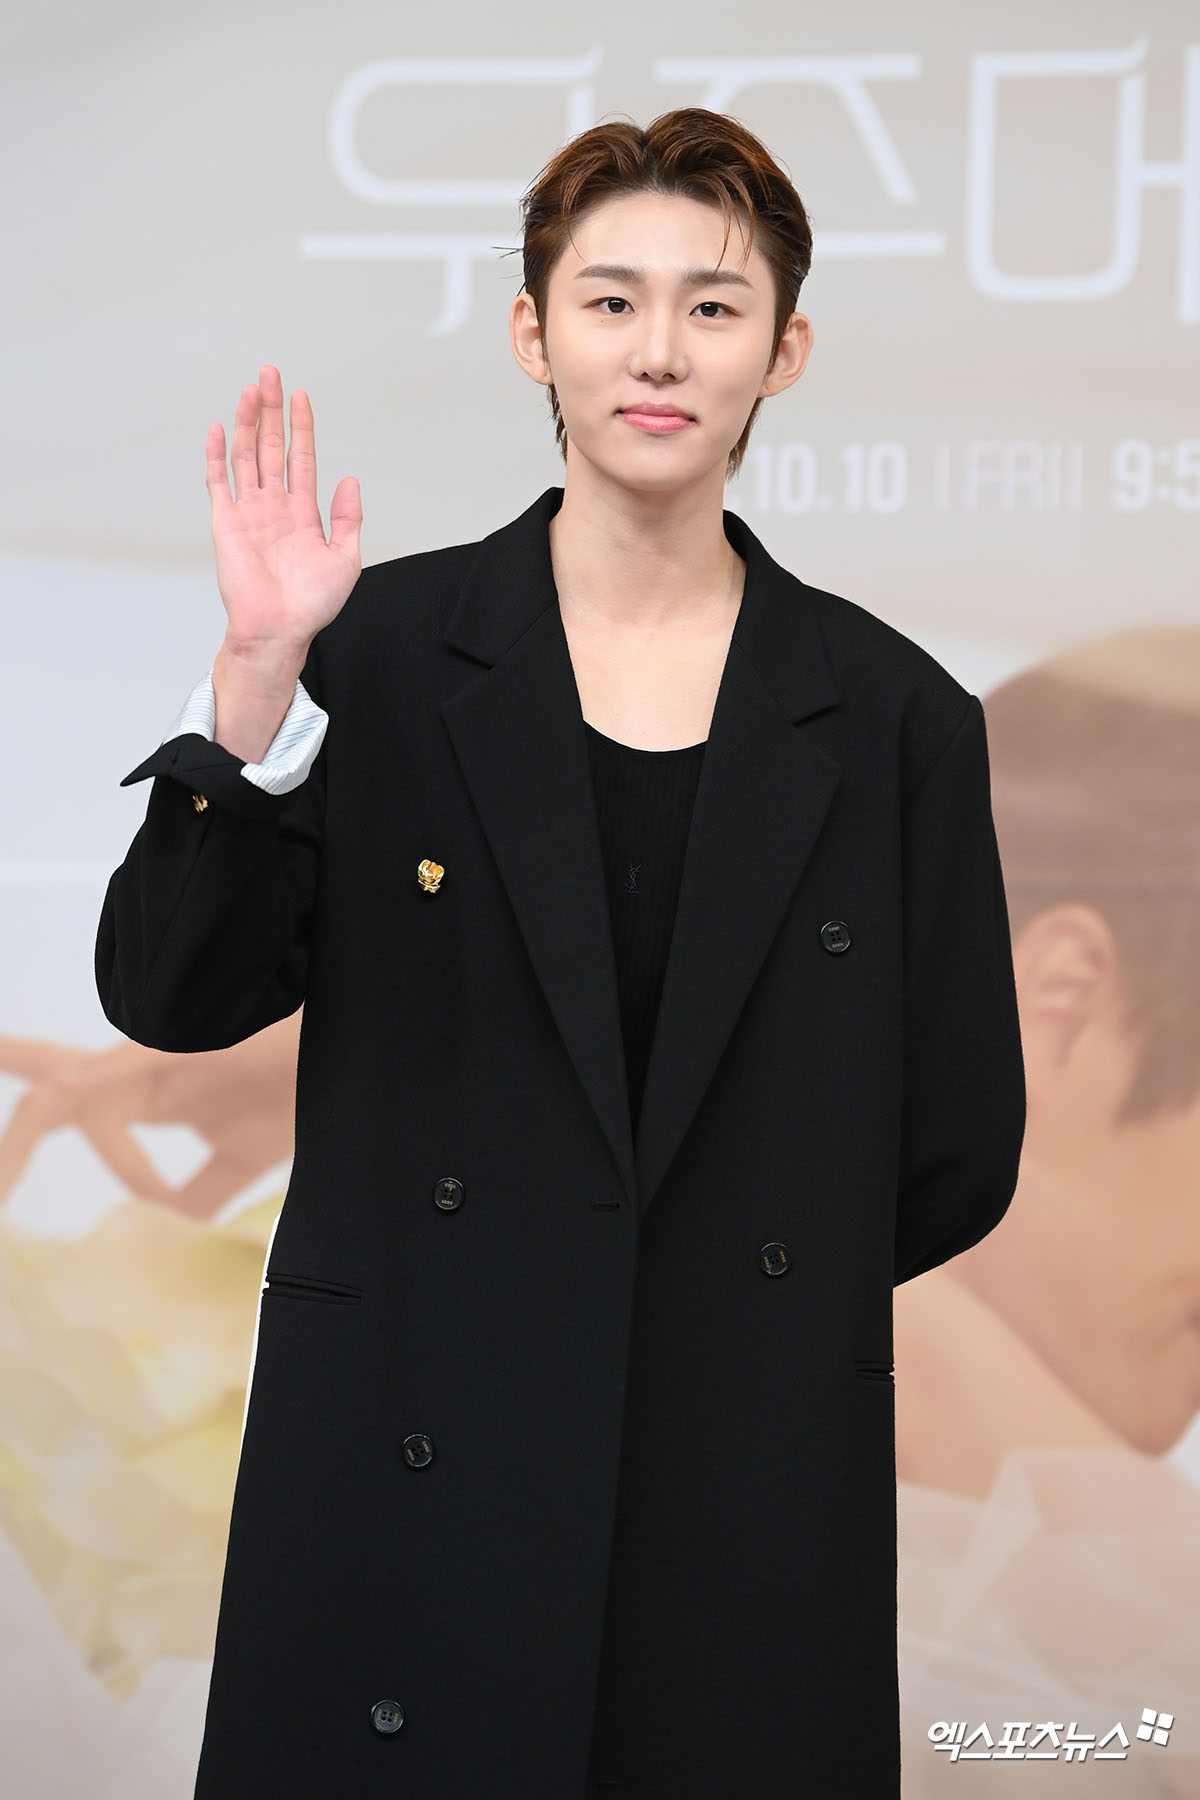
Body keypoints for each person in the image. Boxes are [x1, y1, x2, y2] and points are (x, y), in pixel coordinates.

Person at [95, 108, 1026, 1799]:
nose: (658, 350)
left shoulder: (894, 719)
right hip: (406, 1449)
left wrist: (720, 1290)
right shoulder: (373, 654)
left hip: (741, 1467)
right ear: (534, 334)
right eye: (610, 302)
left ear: (785, 351)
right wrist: (251, 680)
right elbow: (172, 994)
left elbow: (955, 1146)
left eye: (713, 307)